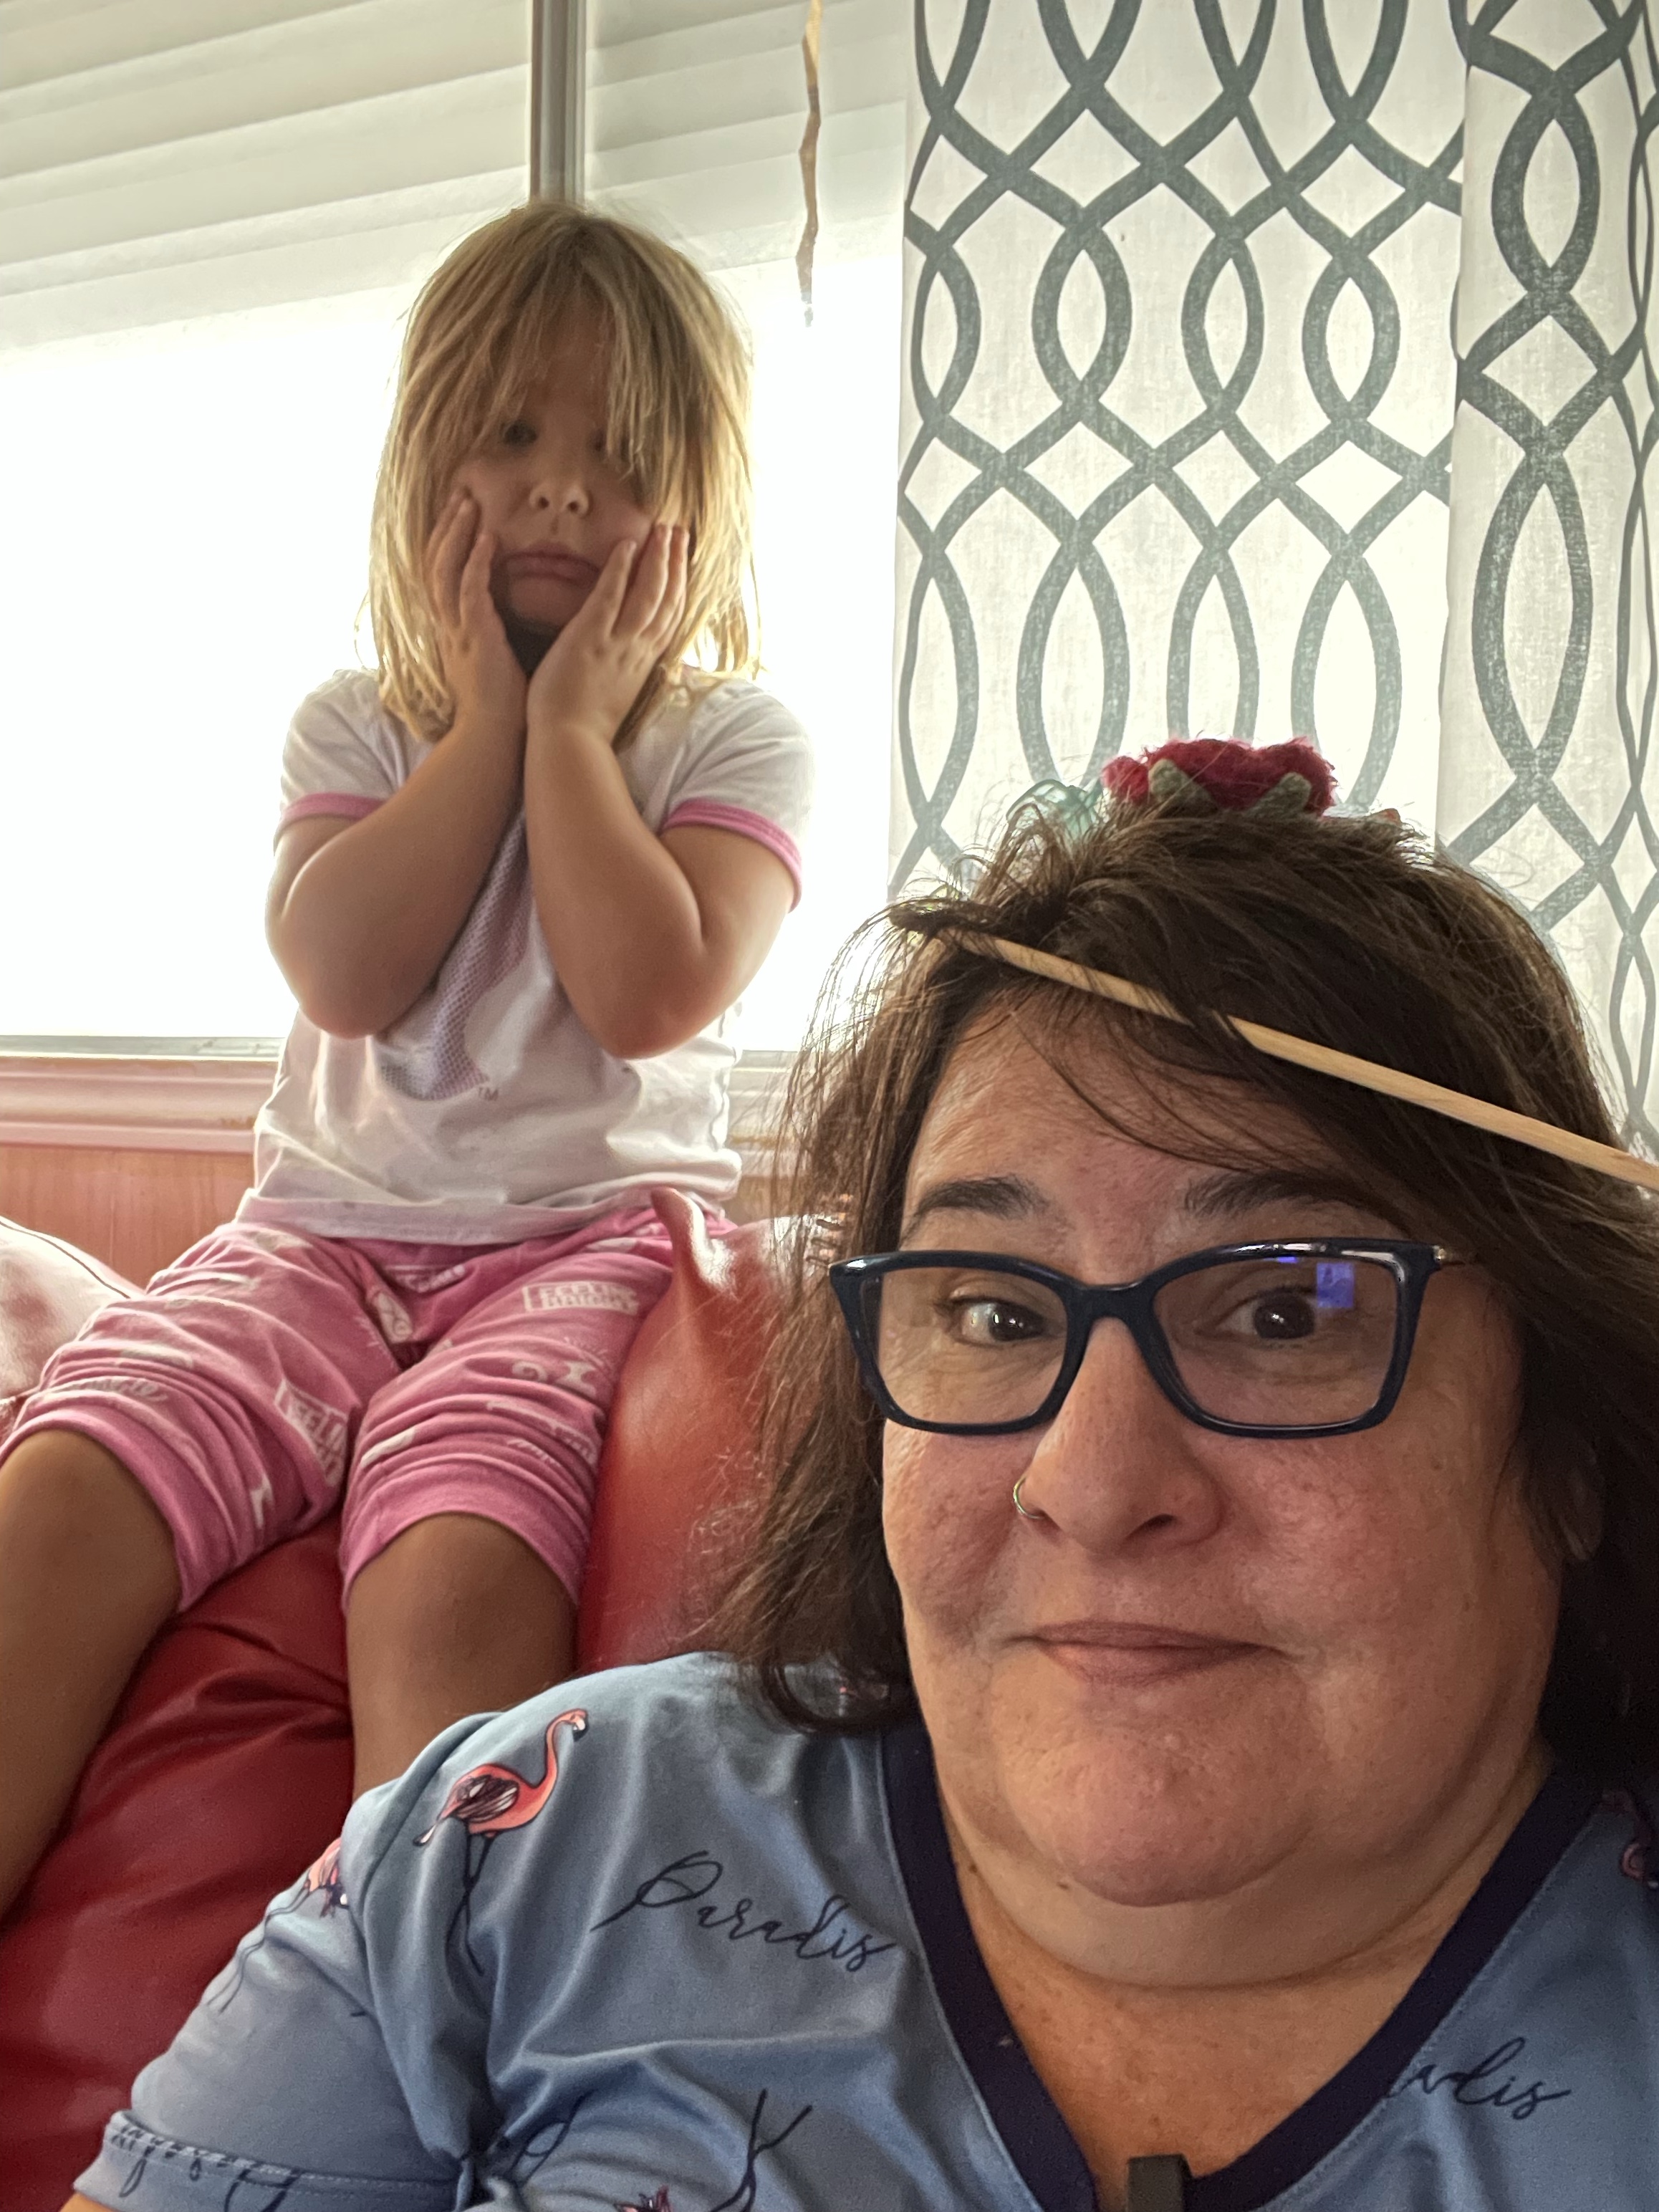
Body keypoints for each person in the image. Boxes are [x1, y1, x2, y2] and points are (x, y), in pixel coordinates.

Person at [65, 744, 1659, 2212]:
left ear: (1569, 1438)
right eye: (994, 1311)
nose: (1093, 1481)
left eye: (1284, 1310)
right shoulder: (509, 1849)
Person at [0, 201, 812, 1919]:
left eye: (620, 455)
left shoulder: (728, 740)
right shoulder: (358, 724)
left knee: (452, 1566)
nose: (564, 490)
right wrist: (486, 727)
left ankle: (402, 2009)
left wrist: (571, 731)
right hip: (313, 1238)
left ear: (697, 502)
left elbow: (644, 989)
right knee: (63, 1485)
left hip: (578, 1249)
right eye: (512, 435)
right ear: (428, 464)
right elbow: (344, 970)